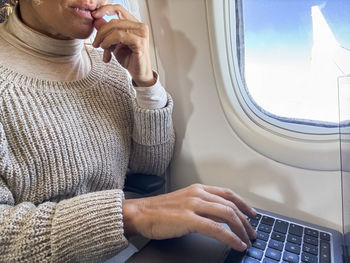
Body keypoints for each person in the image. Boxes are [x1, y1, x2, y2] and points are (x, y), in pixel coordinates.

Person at [0, 0, 257, 262]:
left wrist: (144, 82)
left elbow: (149, 168)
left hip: (120, 251)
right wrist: (131, 215)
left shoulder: (109, 67)